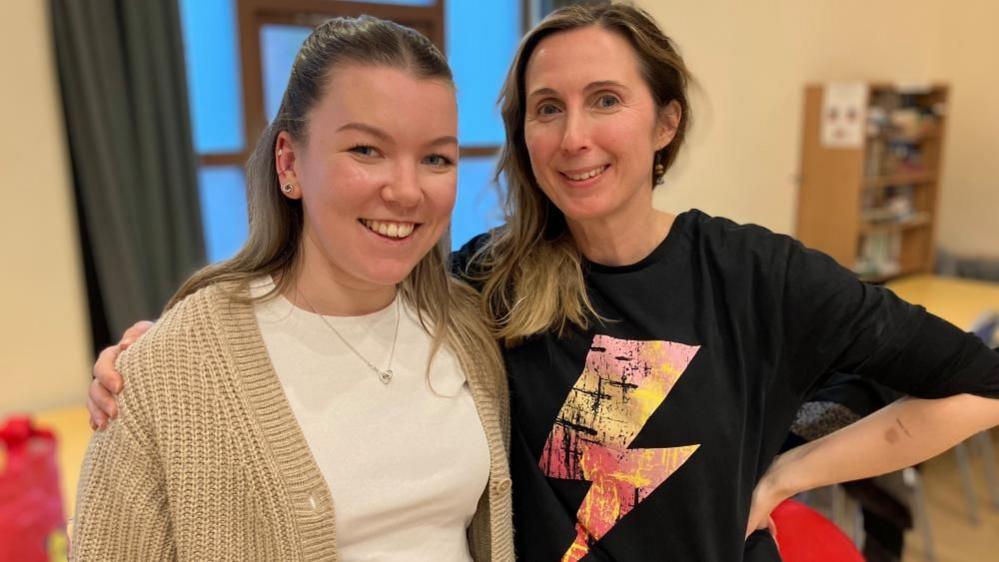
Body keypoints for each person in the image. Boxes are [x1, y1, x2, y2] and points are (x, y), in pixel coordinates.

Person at [88, 4, 999, 561]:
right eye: (544, 108)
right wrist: (157, 358)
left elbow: (979, 383)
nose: (573, 137)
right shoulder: (482, 283)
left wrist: (789, 473)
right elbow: (322, 313)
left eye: (606, 100)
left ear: (664, 122)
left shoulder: (753, 273)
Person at [72, 16, 512, 562]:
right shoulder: (172, 365)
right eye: (365, 150)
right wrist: (147, 370)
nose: (405, 191)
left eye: (435, 158)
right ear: (289, 164)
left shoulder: (470, 328)